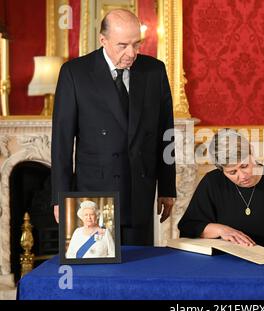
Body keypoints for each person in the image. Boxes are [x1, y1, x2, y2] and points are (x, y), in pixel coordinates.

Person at [51, 9, 176, 245]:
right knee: (99, 272)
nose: (132, 53)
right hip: (95, 193)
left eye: (137, 44)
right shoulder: (75, 73)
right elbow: (62, 141)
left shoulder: (154, 70)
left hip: (140, 188)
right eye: (123, 46)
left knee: (138, 268)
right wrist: (60, 197)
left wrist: (167, 188)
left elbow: (165, 134)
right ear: (103, 40)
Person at [178, 129, 264, 260]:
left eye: (244, 166)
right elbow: (189, 226)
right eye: (232, 172)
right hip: (222, 261)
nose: (242, 176)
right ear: (221, 170)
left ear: (251, 152)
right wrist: (221, 230)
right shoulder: (212, 182)